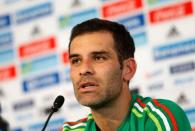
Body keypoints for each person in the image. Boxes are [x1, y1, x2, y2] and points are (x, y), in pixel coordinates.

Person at [62, 18, 191, 131]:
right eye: (76, 61)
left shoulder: (158, 117)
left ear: (128, 69)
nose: (84, 69)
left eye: (98, 58)